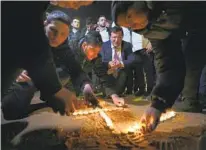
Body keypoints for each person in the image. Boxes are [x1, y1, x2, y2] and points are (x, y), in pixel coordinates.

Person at [111, 1, 206, 133]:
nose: (132, 26)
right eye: (127, 26)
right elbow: (168, 64)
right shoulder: (154, 29)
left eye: (129, 17)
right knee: (192, 61)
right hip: (196, 31)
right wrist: (157, 105)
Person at [2, 1, 93, 119]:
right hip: (17, 80)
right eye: (53, 31)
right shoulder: (27, 33)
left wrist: (85, 85)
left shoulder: (62, 45)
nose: (57, 38)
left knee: (61, 77)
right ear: (44, 24)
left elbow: (74, 66)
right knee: (15, 106)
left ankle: (48, 104)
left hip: (39, 78)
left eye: (63, 34)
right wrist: (15, 70)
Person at [79, 30, 130, 106]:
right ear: (84, 45)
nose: (96, 56)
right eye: (93, 51)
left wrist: (114, 95)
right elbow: (71, 74)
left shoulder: (95, 56)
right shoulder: (70, 51)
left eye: (98, 52)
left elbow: (103, 74)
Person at [100, 26, 136, 98]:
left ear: (122, 37)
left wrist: (121, 63)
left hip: (121, 71)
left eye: (119, 37)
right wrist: (108, 64)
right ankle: (110, 92)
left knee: (125, 71)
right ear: (110, 37)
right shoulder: (104, 45)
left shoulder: (127, 45)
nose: (117, 40)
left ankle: (116, 93)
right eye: (114, 37)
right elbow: (101, 60)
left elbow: (132, 59)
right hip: (108, 71)